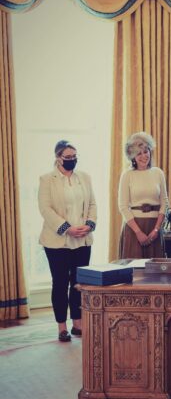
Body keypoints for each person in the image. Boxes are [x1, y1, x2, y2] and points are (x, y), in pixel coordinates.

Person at [38, 140, 97, 342]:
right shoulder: (47, 179)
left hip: (82, 238)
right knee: (61, 282)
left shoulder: (85, 177)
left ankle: (77, 323)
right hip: (57, 240)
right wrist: (67, 228)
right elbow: (45, 209)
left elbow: (92, 203)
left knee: (79, 283)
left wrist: (89, 224)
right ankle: (61, 326)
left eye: (74, 156)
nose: (72, 160)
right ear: (58, 158)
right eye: (68, 158)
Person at [118, 132, 169, 259]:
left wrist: (156, 229)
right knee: (133, 273)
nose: (143, 156)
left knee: (155, 273)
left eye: (146, 151)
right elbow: (123, 206)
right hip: (134, 228)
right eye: (138, 153)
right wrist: (138, 232)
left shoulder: (158, 173)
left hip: (155, 228)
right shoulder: (127, 175)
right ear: (132, 157)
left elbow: (165, 202)